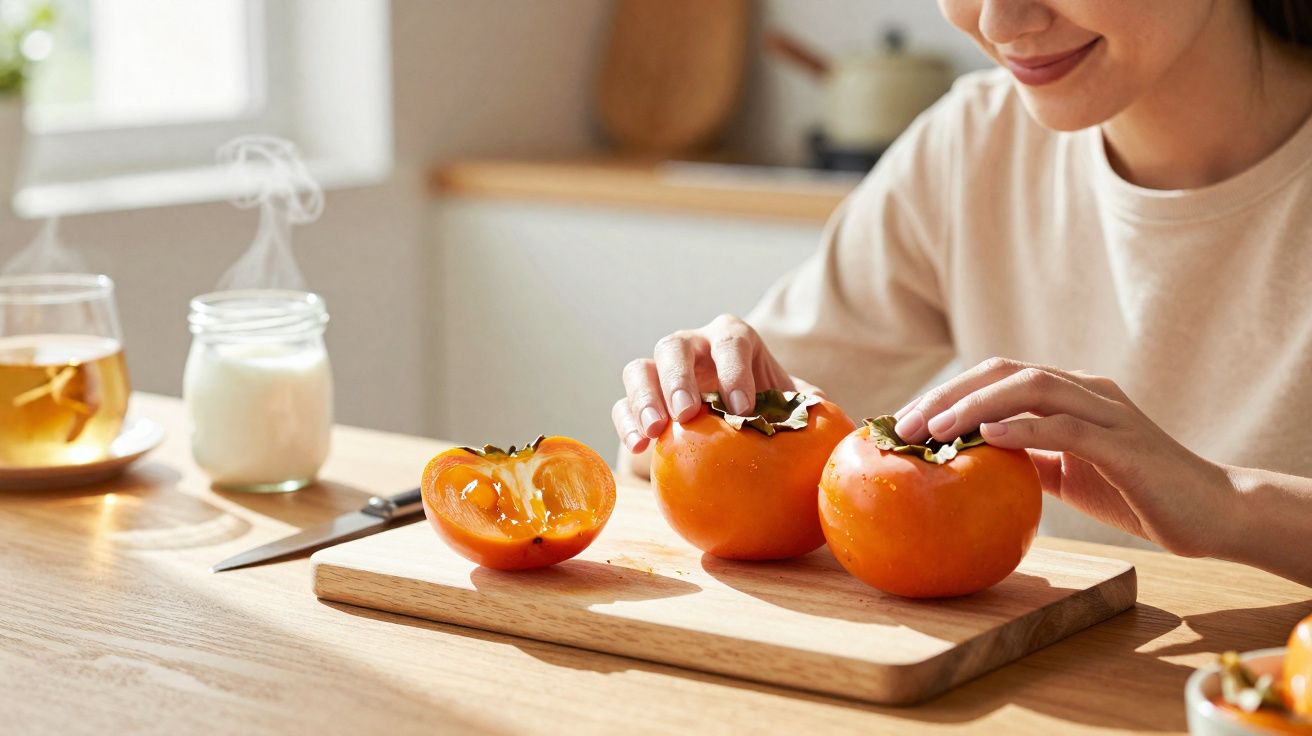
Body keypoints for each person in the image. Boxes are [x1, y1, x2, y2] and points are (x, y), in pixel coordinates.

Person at [612, 0, 1312, 586]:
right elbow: (680, 469)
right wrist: (683, 410)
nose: (1000, 20)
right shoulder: (970, 147)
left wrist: (1231, 506)